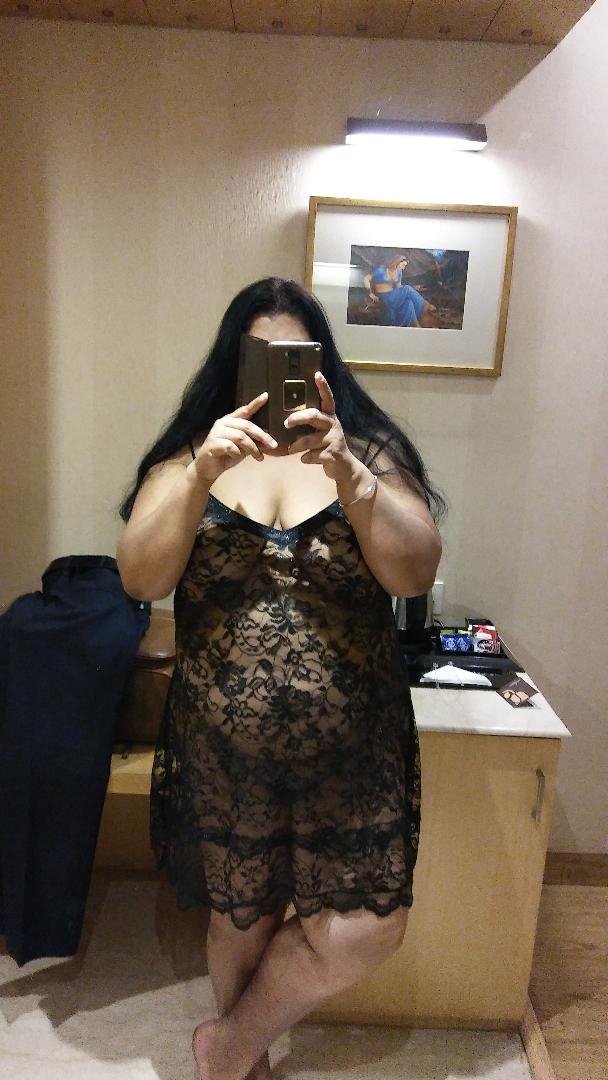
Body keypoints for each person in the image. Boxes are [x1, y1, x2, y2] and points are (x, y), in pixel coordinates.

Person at [116, 277, 444, 1080]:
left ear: (322, 363)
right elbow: (141, 578)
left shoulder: (367, 454)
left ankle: (225, 1046)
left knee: (368, 926)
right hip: (227, 755)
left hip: (353, 754)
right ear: (231, 366)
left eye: (293, 356)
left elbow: (413, 573)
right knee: (242, 916)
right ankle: (245, 1066)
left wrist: (352, 478)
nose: (277, 374)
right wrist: (200, 476)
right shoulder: (189, 457)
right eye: (258, 357)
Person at [363, 254, 438, 327]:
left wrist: (413, 288)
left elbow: (399, 287)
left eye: (405, 266)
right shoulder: (381, 270)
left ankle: (416, 325)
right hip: (384, 297)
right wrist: (370, 293)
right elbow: (366, 279)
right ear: (397, 262)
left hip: (394, 296)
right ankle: (425, 305)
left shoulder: (399, 272)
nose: (403, 268)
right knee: (407, 288)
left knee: (408, 302)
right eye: (403, 265)